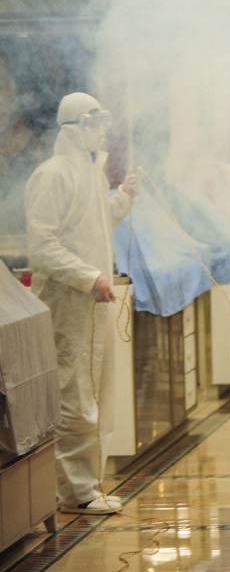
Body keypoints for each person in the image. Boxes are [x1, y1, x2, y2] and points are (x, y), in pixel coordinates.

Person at [24, 92, 139, 515]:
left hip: (94, 302)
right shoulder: (52, 175)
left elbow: (94, 225)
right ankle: (77, 491)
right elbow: (42, 246)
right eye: (96, 122)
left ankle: (88, 484)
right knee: (74, 393)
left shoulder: (89, 172)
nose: (103, 129)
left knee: (97, 391)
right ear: (76, 127)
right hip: (68, 303)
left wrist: (123, 198)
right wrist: (88, 276)